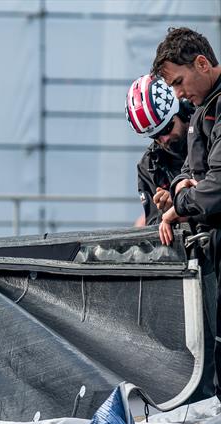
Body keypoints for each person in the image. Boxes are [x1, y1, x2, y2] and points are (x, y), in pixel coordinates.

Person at [152, 27, 221, 399]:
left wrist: (177, 209)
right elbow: (197, 173)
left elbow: (217, 189)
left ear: (201, 63)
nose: (178, 94)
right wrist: (181, 184)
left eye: (179, 82)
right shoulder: (202, 111)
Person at [125, 74, 193, 225]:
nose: (164, 139)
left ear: (182, 111)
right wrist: (166, 212)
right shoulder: (148, 166)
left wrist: (182, 206)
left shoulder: (208, 135)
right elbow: (153, 228)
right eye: (155, 135)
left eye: (168, 128)